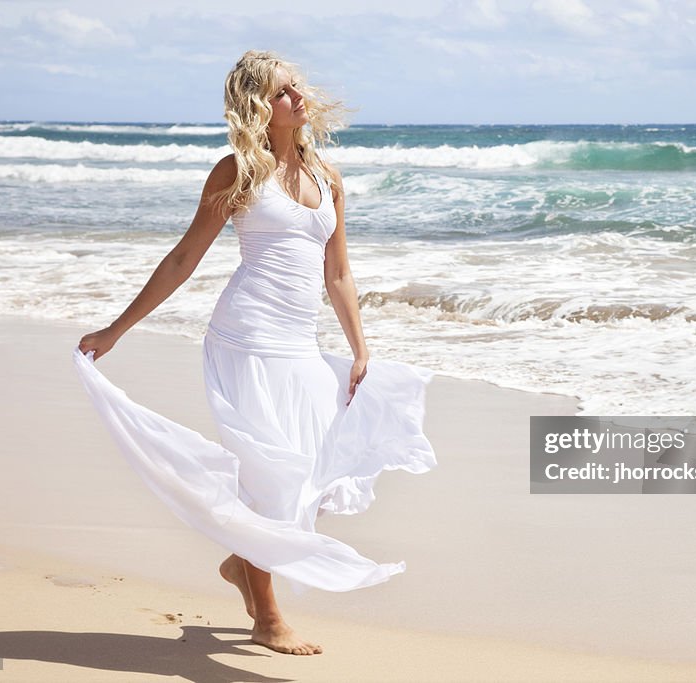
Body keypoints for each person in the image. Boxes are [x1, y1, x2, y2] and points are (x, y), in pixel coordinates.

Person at [72, 50, 436, 657]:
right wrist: (116, 330)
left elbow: (339, 273)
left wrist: (360, 349)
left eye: (296, 86)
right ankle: (266, 617)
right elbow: (185, 259)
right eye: (281, 91)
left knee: (306, 474)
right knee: (270, 474)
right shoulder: (237, 169)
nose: (297, 96)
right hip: (244, 339)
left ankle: (245, 565)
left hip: (299, 343)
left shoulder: (328, 176)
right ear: (258, 107)